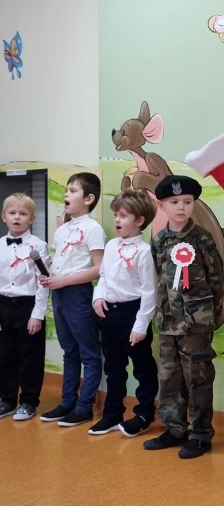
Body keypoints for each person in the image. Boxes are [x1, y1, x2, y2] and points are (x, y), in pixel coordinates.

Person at [143, 175, 224, 459]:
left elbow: (216, 281)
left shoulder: (202, 239)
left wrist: (208, 316)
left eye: (187, 202)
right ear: (162, 205)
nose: (181, 207)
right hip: (168, 322)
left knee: (197, 378)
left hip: (195, 324)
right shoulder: (159, 241)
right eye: (174, 202)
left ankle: (200, 434)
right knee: (169, 376)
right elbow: (156, 279)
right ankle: (174, 428)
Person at [90, 190, 158, 437]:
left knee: (142, 368)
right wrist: (98, 297)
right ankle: (112, 414)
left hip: (133, 313)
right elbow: (104, 276)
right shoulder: (111, 245)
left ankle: (144, 413)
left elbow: (149, 291)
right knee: (113, 367)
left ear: (139, 220)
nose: (117, 220)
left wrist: (141, 325)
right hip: (109, 313)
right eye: (116, 215)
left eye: (123, 216)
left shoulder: (144, 251)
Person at [40, 172, 105, 427]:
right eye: (66, 190)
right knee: (69, 351)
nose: (66, 194)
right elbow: (61, 262)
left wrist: (65, 280)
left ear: (89, 199)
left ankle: (84, 406)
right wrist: (49, 276)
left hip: (78, 294)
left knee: (89, 353)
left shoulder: (93, 228)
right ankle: (67, 402)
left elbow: (99, 269)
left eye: (73, 190)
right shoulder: (63, 230)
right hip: (59, 294)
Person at [0, 193, 49, 421]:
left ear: (32, 218)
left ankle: (29, 401)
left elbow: (43, 282)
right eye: (12, 213)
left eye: (23, 213)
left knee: (30, 357)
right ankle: (7, 400)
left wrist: (37, 315)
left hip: (28, 305)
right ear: (4, 217)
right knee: (5, 355)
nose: (17, 217)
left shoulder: (39, 246)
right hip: (3, 304)